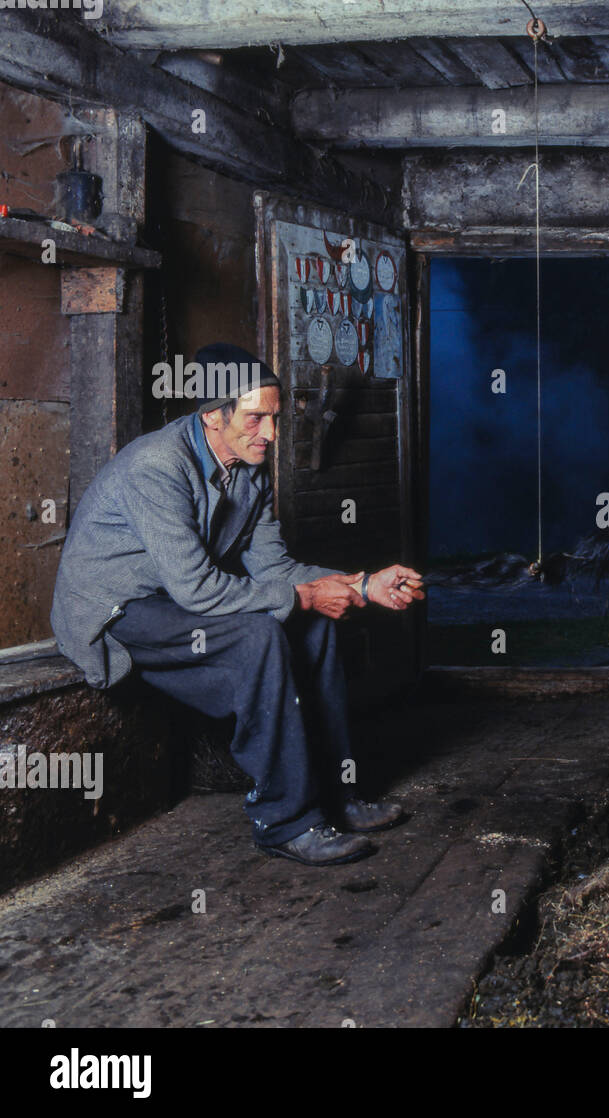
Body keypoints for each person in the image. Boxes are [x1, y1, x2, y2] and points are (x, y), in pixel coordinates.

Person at [50, 343, 425, 866]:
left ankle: (337, 796)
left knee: (313, 626)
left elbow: (276, 573)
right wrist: (304, 596)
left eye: (273, 418)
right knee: (259, 635)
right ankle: (285, 822)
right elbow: (200, 590)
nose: (269, 434)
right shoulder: (155, 467)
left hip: (175, 599)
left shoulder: (250, 470)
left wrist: (362, 586)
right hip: (117, 610)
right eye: (255, 419)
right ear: (212, 417)